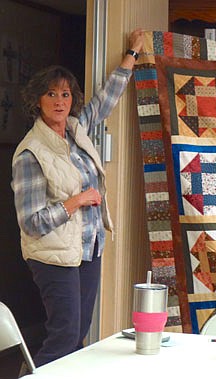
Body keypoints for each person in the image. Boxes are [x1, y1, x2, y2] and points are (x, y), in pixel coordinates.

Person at [11, 29, 144, 367]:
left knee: (79, 334)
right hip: (54, 256)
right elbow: (31, 221)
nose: (59, 101)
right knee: (64, 336)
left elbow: (104, 102)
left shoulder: (74, 129)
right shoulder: (30, 153)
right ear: (37, 100)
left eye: (66, 94)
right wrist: (76, 201)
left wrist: (132, 55)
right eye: (51, 94)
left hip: (88, 249)